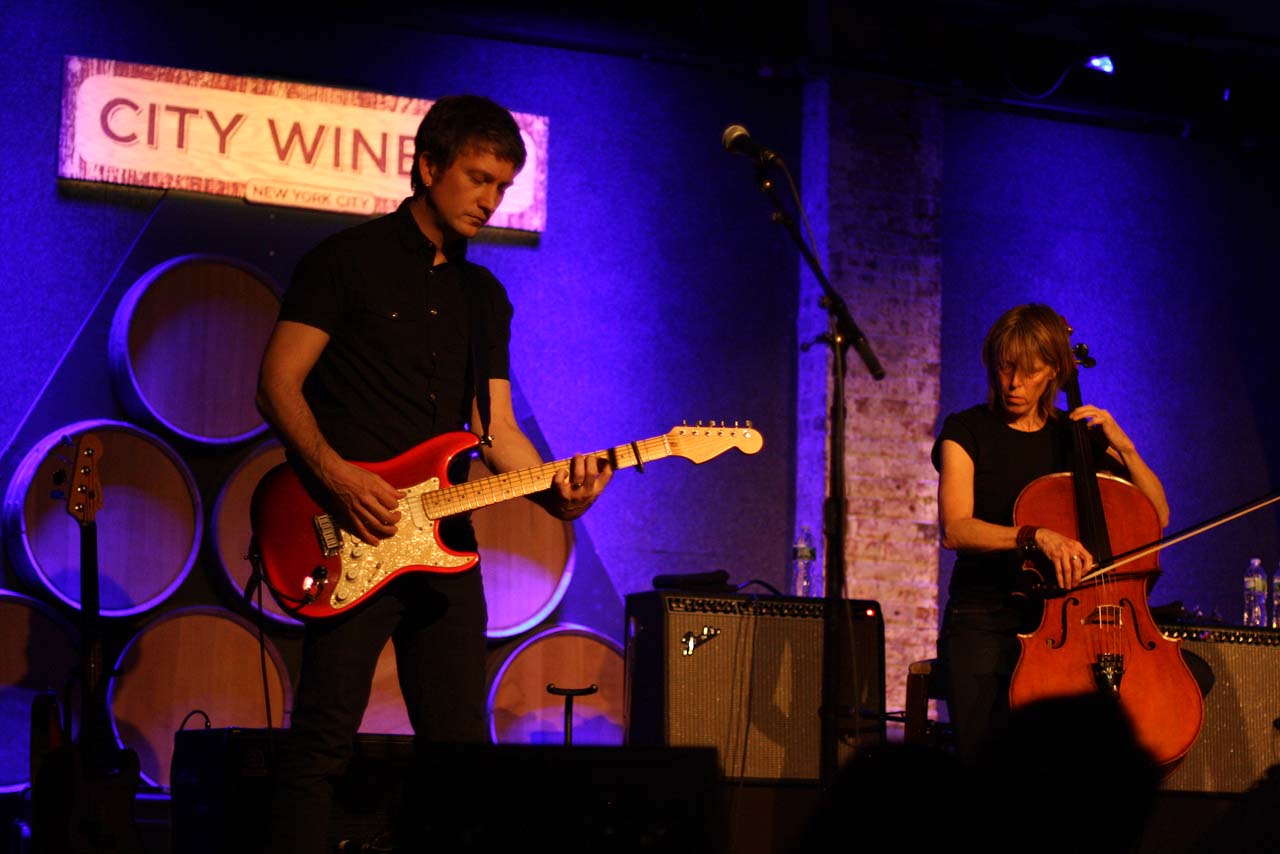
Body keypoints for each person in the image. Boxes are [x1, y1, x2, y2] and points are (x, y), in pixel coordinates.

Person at [256, 94, 611, 853]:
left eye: (502, 187)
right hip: (353, 531)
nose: (490, 201)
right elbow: (277, 385)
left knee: (461, 759)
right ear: (427, 167)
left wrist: (561, 498)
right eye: (478, 179)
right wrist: (339, 476)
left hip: (444, 543)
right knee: (321, 745)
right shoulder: (342, 262)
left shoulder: (485, 299)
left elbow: (498, 433)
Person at [931, 303, 1169, 766]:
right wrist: (1034, 535)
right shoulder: (966, 431)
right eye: (1004, 369)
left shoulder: (1076, 436)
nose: (1014, 384)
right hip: (985, 618)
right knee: (989, 761)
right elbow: (956, 529)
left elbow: (1156, 513)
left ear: (1056, 371)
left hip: (1069, 624)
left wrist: (1125, 446)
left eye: (1029, 371)